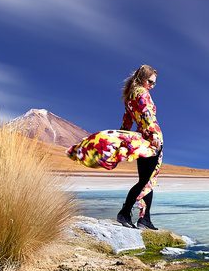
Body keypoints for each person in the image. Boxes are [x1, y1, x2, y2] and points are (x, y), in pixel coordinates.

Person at [65, 65, 164, 230]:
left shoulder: (130, 96)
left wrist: (122, 137)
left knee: (146, 180)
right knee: (146, 180)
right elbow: (148, 115)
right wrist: (153, 135)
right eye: (150, 81)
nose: (152, 85)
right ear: (142, 78)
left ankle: (144, 219)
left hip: (142, 141)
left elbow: (127, 120)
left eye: (154, 83)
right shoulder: (142, 94)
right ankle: (125, 214)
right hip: (151, 141)